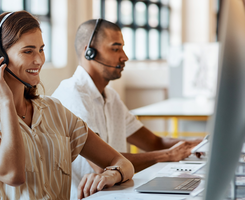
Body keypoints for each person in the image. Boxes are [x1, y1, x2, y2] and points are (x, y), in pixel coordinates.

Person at [0, 11, 134, 200]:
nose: (39, 60)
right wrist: (6, 102)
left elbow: (122, 163)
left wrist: (111, 173)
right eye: (28, 51)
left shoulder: (55, 110)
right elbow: (12, 174)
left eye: (41, 49)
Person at [51, 19, 202, 200]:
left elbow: (154, 143)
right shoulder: (72, 96)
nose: (124, 57)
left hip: (118, 194)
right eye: (115, 49)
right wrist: (168, 155)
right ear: (89, 52)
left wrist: (196, 144)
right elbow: (103, 166)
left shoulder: (111, 96)